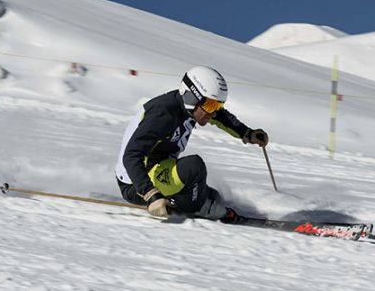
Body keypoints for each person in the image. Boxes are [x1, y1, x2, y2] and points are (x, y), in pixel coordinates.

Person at [115, 66, 269, 220]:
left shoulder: (191, 108)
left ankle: (198, 203)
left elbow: (221, 117)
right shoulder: (163, 114)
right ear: (191, 97)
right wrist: (151, 195)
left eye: (217, 105)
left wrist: (247, 133)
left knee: (214, 197)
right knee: (194, 167)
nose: (214, 112)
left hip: (159, 168)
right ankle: (197, 208)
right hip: (136, 184)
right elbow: (131, 155)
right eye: (210, 105)